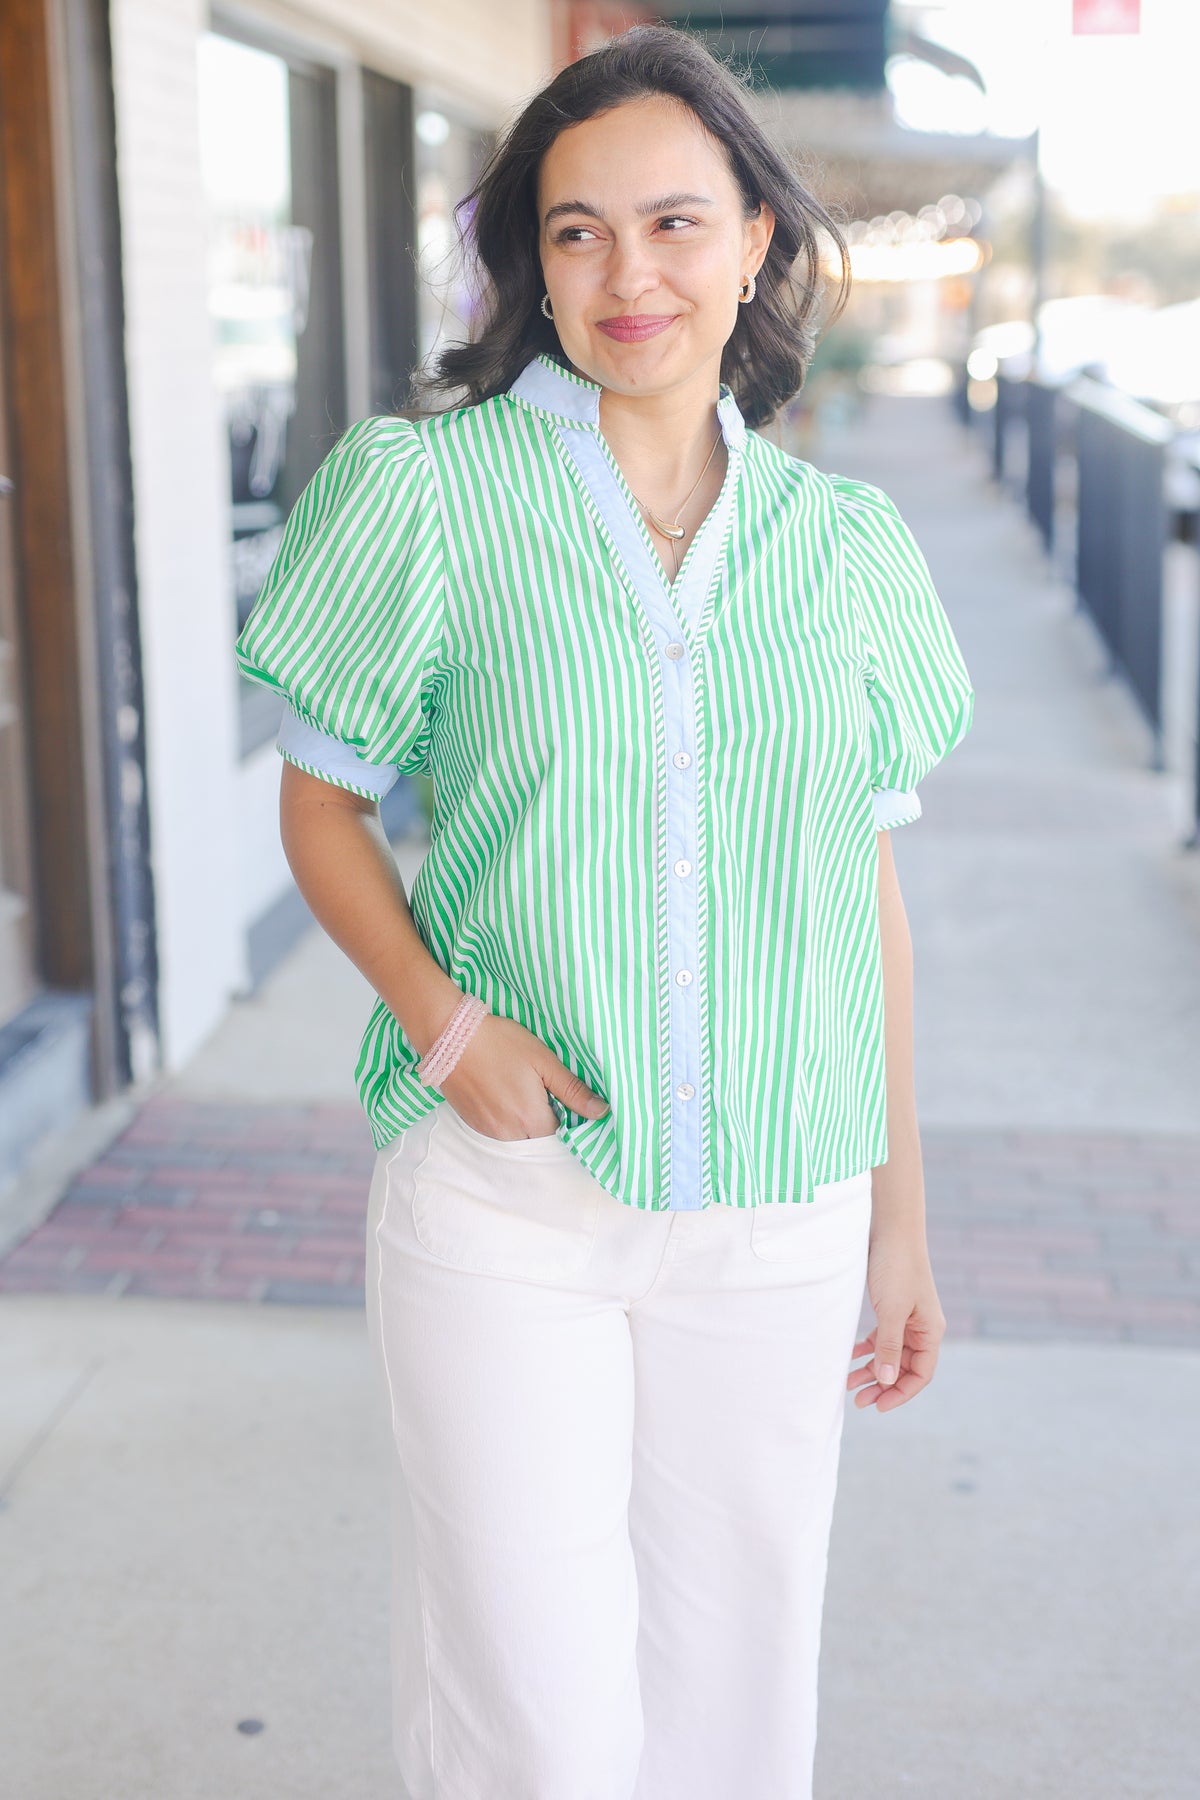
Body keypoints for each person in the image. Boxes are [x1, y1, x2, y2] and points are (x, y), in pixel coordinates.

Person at [234, 23, 974, 1800]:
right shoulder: (421, 498)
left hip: (782, 1210)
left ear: (755, 246)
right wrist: (449, 1021)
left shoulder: (848, 549)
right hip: (511, 1202)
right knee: (534, 1720)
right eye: (573, 231)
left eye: (671, 222)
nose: (626, 271)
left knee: (737, 1702)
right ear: (528, 265)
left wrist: (900, 1221)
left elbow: (853, 887)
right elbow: (319, 802)